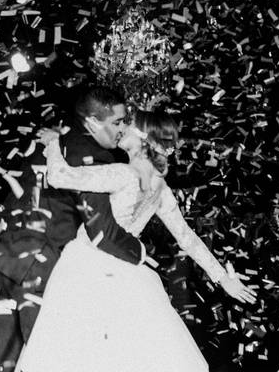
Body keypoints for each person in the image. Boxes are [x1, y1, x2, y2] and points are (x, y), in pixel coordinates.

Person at [15, 109, 256, 372]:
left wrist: (52, 144)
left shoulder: (124, 174)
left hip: (88, 266)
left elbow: (59, 176)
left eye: (128, 125)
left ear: (145, 139)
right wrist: (223, 278)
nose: (121, 129)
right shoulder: (160, 188)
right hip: (127, 272)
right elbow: (187, 238)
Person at [0, 86, 149, 372]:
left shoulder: (53, 140)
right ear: (93, 121)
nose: (123, 129)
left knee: (3, 363)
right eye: (117, 122)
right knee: (46, 361)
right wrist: (141, 254)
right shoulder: (91, 155)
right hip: (38, 263)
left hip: (0, 256)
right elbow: (101, 231)